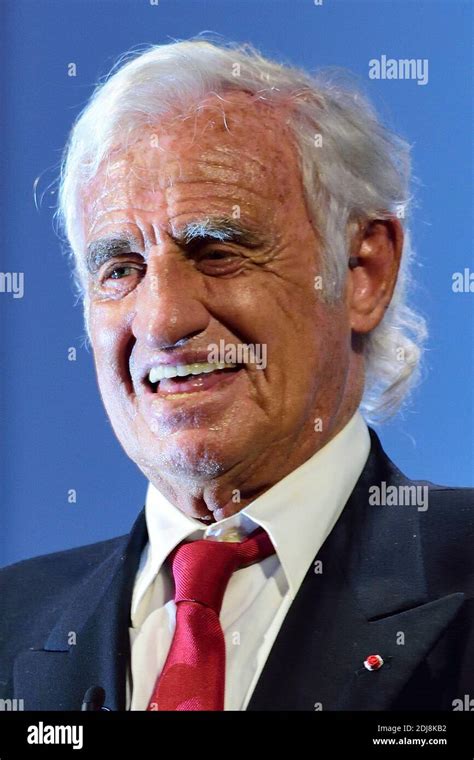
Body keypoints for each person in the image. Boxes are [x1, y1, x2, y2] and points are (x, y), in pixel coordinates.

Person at [1, 39, 472, 712]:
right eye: (120, 269)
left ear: (362, 273)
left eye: (218, 251)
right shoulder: (9, 621)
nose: (162, 320)